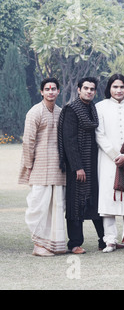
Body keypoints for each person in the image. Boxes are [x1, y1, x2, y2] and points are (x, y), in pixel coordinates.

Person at [19, 78, 66, 256]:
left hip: (58, 168)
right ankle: (38, 245)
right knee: (38, 205)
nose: (51, 92)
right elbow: (28, 141)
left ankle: (54, 244)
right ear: (42, 92)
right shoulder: (35, 112)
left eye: (54, 89)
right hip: (39, 166)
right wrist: (28, 165)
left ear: (58, 91)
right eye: (47, 89)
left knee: (56, 206)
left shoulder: (60, 112)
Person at [58, 77, 105, 254]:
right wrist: (77, 166)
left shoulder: (92, 108)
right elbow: (69, 140)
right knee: (75, 203)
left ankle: (104, 240)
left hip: (92, 163)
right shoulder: (72, 109)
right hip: (77, 165)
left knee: (95, 202)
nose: (89, 91)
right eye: (86, 88)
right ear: (78, 89)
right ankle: (75, 243)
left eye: (92, 89)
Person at [95, 74, 124, 252]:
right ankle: (110, 240)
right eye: (115, 87)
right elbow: (99, 133)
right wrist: (115, 155)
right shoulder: (100, 107)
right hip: (107, 160)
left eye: (122, 87)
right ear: (109, 89)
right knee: (108, 200)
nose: (119, 90)